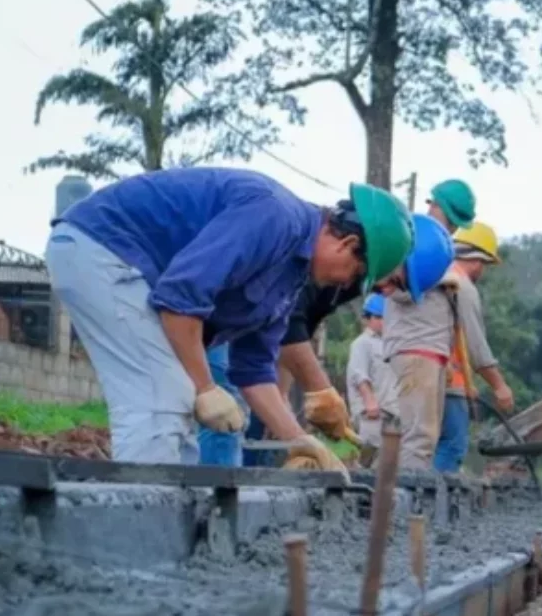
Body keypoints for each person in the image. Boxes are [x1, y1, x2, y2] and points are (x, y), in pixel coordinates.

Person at [45, 167, 413, 468]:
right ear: (346, 244)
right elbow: (180, 299)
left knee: (180, 405)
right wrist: (206, 387)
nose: (345, 283)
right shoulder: (275, 218)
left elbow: (253, 370)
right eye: (354, 272)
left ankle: (175, 528)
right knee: (162, 398)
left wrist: (299, 442)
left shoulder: (290, 278)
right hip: (102, 249)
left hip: (126, 269)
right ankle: (140, 537)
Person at [380, 213, 459, 471]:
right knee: (419, 437)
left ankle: (404, 498)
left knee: (425, 436)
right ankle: (407, 503)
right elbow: (398, 291)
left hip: (427, 352)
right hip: (416, 352)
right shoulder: (399, 262)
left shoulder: (431, 260)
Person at [434, 221, 514, 473]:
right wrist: (499, 386)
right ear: (478, 260)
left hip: (427, 377)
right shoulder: (461, 286)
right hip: (450, 383)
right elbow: (475, 344)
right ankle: (433, 506)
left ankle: (410, 504)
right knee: (452, 446)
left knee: (424, 445)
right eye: (485, 265)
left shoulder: (433, 278)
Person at [346, 293, 393, 450]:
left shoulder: (392, 343)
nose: (383, 321)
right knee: (368, 461)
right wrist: (369, 401)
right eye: (378, 317)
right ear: (367, 319)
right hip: (371, 415)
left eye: (386, 317)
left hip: (391, 413)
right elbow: (358, 375)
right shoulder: (361, 344)